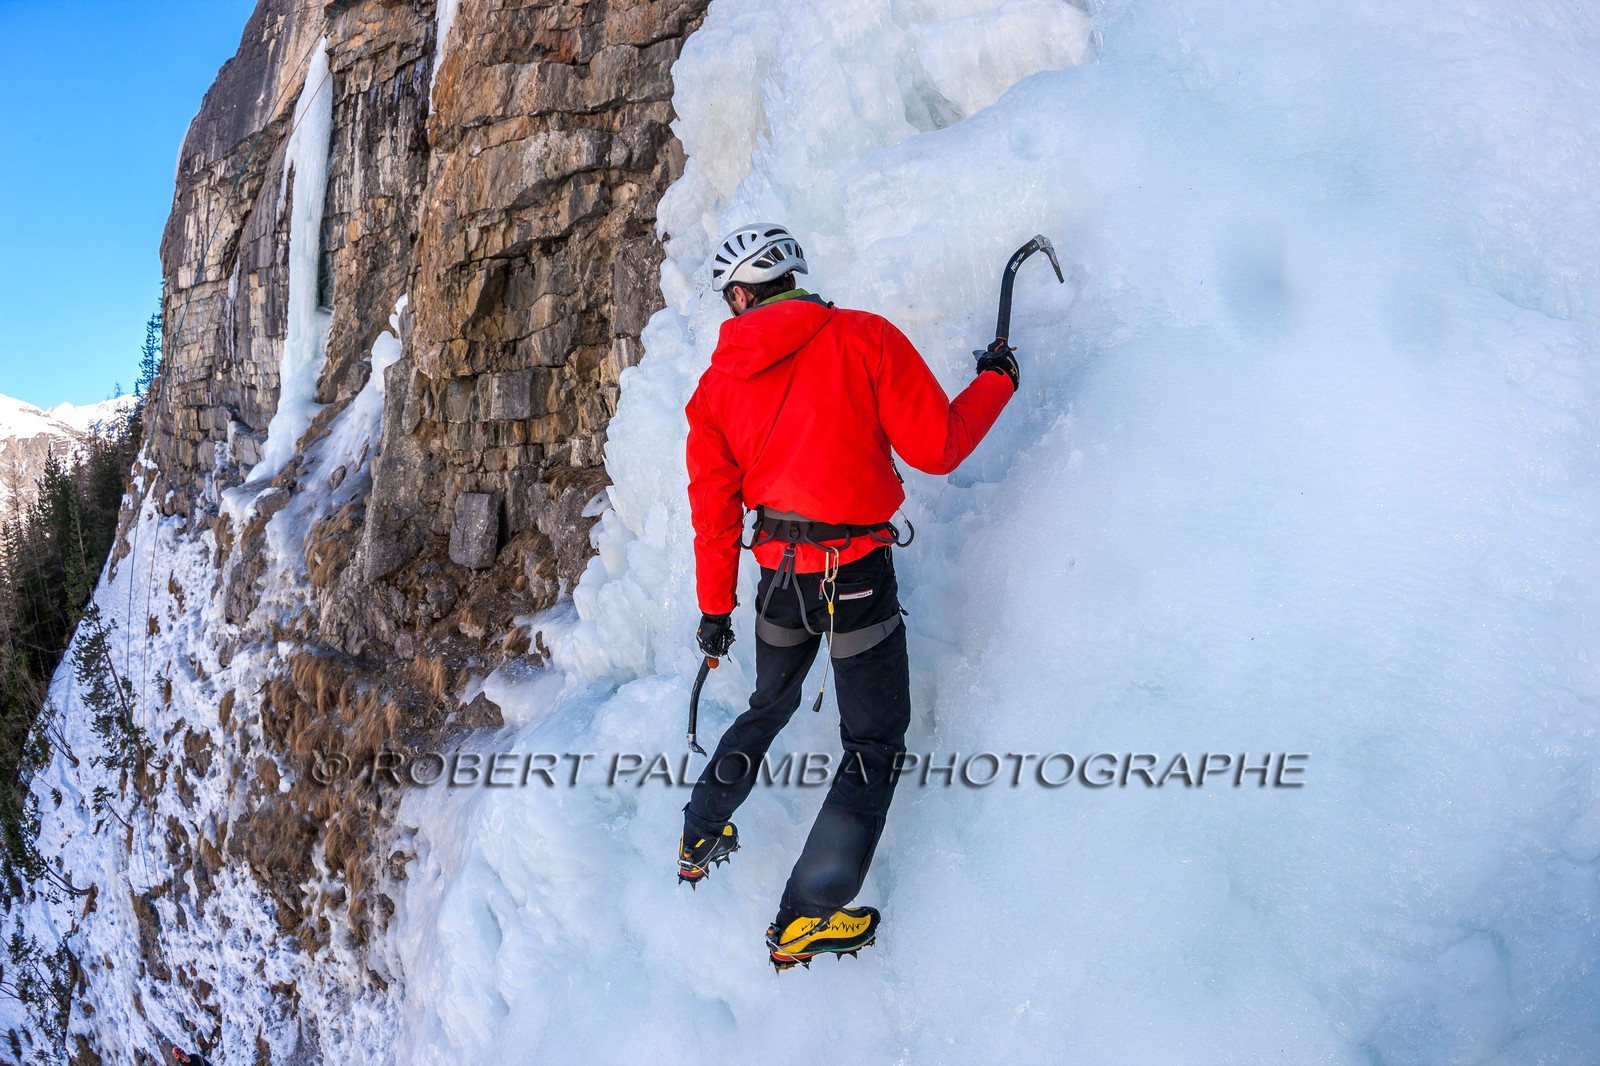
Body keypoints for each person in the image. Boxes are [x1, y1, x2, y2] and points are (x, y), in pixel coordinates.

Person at [679, 222, 1019, 969]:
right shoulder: (863, 339)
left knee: (767, 705)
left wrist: (714, 613)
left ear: (740, 294)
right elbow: (939, 448)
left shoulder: (714, 391)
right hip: (856, 579)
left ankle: (700, 829)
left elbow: (714, 515)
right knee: (871, 745)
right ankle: (805, 916)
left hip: (778, 587)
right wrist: (997, 377)